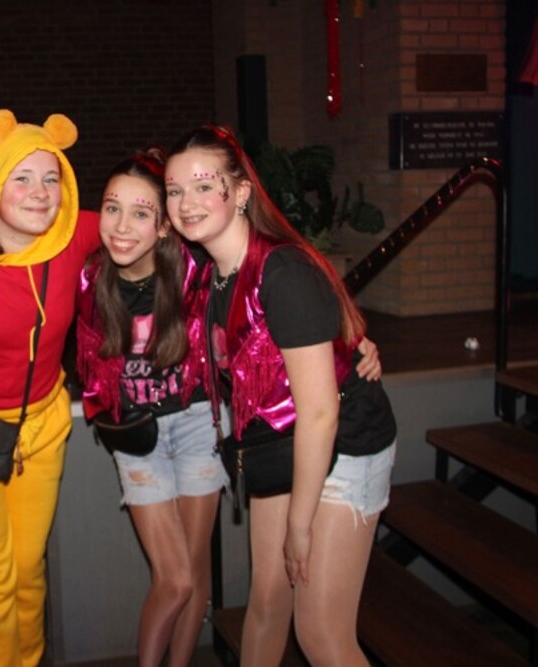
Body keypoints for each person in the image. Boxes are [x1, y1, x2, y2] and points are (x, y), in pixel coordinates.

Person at [164, 125, 396, 667]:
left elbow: (320, 412)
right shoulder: (210, 273)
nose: (187, 202)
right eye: (175, 190)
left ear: (241, 191)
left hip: (342, 444)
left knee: (321, 635)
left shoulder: (281, 270)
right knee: (267, 602)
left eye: (204, 186)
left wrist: (299, 523)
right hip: (279, 443)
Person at [0, 109, 100, 667]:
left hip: (43, 431)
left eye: (51, 178)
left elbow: (144, 217)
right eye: (22, 177)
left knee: (28, 569)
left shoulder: (73, 236)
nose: (40, 193)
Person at [75, 149, 228, 666]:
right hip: (136, 434)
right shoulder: (91, 279)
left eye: (141, 213)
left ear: (164, 225)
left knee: (195, 573)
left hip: (196, 421)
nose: (121, 226)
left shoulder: (194, 269)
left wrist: (351, 340)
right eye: (112, 208)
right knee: (175, 579)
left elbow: (267, 291)